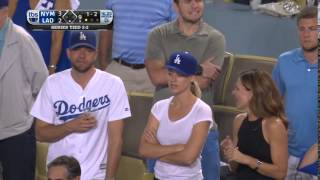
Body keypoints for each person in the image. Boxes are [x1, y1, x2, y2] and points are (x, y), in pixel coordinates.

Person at [30, 31, 131, 180]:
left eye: (88, 50)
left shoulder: (113, 84)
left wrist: (110, 178)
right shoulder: (52, 83)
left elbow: (116, 139)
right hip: (61, 174)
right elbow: (40, 133)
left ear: (96, 54)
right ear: (68, 53)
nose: (82, 55)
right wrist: (71, 126)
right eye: (77, 49)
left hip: (97, 173)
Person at [145, 0, 226, 179]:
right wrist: (198, 68)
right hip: (161, 127)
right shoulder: (158, 35)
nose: (194, 5)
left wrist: (160, 151)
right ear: (175, 6)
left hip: (203, 128)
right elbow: (156, 76)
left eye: (198, 0)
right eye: (188, 1)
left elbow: (202, 84)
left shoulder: (215, 38)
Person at [139, 51, 213, 180]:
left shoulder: (202, 111)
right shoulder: (159, 107)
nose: (173, 79)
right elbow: (144, 149)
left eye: (180, 75)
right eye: (170, 73)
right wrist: (178, 148)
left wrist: (157, 150)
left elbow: (188, 158)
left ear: (192, 77)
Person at [0, 0, 49, 179]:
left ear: (5, 12)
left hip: (17, 131)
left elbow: (42, 83)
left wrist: (27, 112)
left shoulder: (22, 39)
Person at [272, 6, 317, 180]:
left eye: (313, 29)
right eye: (302, 29)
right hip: (287, 152)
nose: (306, 34)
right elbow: (271, 103)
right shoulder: (284, 61)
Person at [221, 69, 288, 180]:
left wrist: (246, 159)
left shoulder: (273, 125)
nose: (233, 92)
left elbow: (280, 173)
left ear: (253, 93)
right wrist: (231, 152)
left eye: (237, 89)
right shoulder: (239, 120)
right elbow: (234, 168)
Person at [98, 0, 176, 93]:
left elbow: (177, 35)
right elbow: (105, 31)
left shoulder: (170, 2)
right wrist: (104, 67)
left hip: (154, 74)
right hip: (119, 71)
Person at [9, 0, 80, 74]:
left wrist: (51, 71)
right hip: (18, 63)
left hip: (48, 65)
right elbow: (6, 28)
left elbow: (57, 40)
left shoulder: (61, 2)